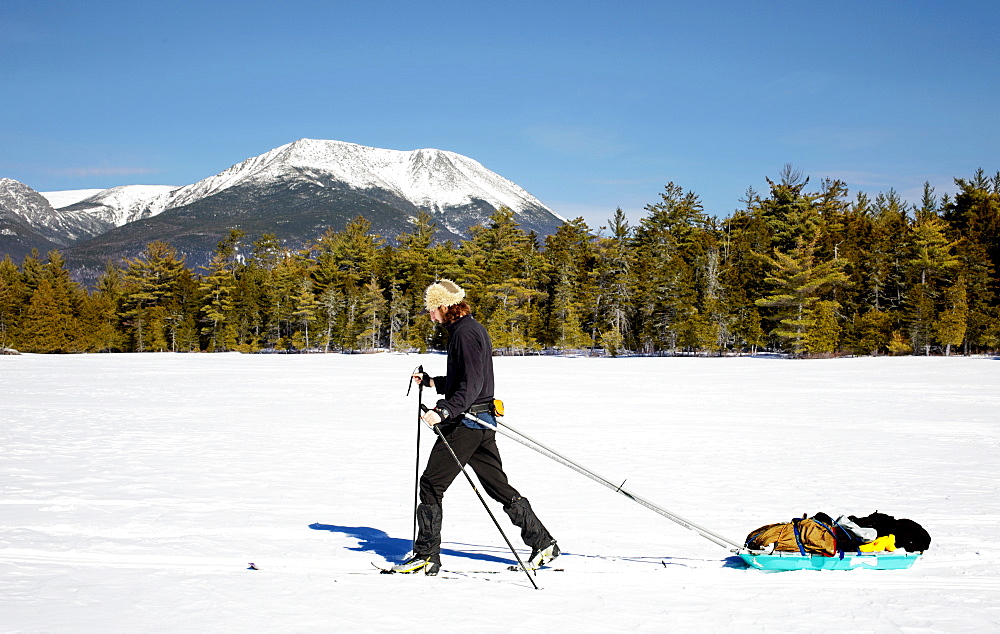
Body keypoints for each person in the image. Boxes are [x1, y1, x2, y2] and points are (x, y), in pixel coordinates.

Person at [393, 279, 560, 575]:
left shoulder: (465, 334)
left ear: (445, 307)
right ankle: (543, 543)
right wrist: (433, 383)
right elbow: (466, 380)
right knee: (498, 486)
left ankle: (426, 556)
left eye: (432, 310)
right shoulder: (469, 329)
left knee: (432, 484)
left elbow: (472, 384)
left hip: (467, 424)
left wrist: (443, 410)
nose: (431, 316)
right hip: (481, 422)